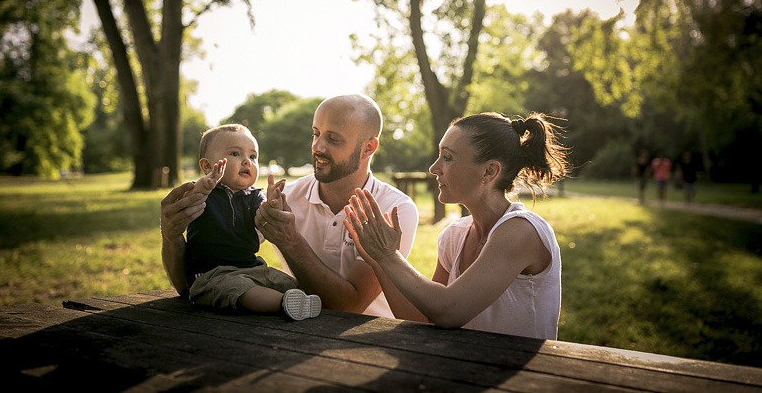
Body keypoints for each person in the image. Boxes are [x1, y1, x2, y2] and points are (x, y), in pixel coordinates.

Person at [161, 94, 420, 318]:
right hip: (295, 333)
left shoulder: (394, 209)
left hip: (369, 343)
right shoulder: (284, 197)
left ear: (368, 148)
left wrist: (290, 240)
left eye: (333, 139)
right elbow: (192, 287)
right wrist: (172, 237)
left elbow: (349, 308)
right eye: (316, 134)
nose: (317, 147)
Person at [344, 112, 570, 340]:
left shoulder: (522, 230)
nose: (434, 168)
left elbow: (448, 311)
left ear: (489, 171)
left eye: (448, 158)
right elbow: (424, 319)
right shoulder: (454, 235)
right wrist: (378, 260)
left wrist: (388, 256)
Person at [175, 124, 321, 320]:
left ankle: (299, 300)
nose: (247, 161)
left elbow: (264, 221)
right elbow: (189, 202)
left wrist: (273, 205)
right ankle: (282, 304)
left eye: (253, 157)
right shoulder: (204, 193)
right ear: (207, 166)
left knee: (283, 281)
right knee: (241, 290)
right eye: (235, 154)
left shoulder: (253, 196)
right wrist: (204, 185)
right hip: (212, 274)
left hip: (252, 267)